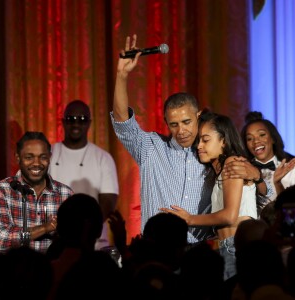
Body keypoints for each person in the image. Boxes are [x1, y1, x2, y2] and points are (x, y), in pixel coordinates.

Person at [111, 34, 266, 247]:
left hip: (199, 253)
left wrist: (257, 175)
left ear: (198, 116)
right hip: (157, 248)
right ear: (165, 122)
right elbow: (122, 122)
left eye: (186, 122)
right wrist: (121, 75)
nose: (181, 130)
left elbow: (257, 196)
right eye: (174, 124)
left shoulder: (209, 152)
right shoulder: (150, 148)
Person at [160, 111, 257, 280]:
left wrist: (190, 219)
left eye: (205, 140)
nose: (199, 146)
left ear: (224, 141)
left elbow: (229, 216)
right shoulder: (218, 171)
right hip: (227, 247)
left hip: (237, 248)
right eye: (198, 141)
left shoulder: (232, 163)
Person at [49, 100, 119, 249]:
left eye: (82, 119)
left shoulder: (103, 158)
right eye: (71, 119)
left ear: (89, 123)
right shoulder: (48, 154)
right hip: (55, 241)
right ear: (63, 122)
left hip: (93, 244)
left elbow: (108, 203)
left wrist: (83, 233)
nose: (76, 124)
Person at [0, 131, 73, 254]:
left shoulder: (65, 194)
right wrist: (47, 227)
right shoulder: (1, 191)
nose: (36, 163)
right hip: (13, 272)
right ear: (17, 158)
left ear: (49, 157)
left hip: (53, 271)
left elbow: (74, 242)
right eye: (29, 157)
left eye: (43, 157)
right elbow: (1, 241)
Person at [241, 111, 295, 212]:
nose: (256, 141)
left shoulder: (292, 168)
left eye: (261, 135)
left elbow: (290, 209)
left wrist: (277, 183)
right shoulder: (243, 170)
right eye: (249, 138)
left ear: (273, 139)